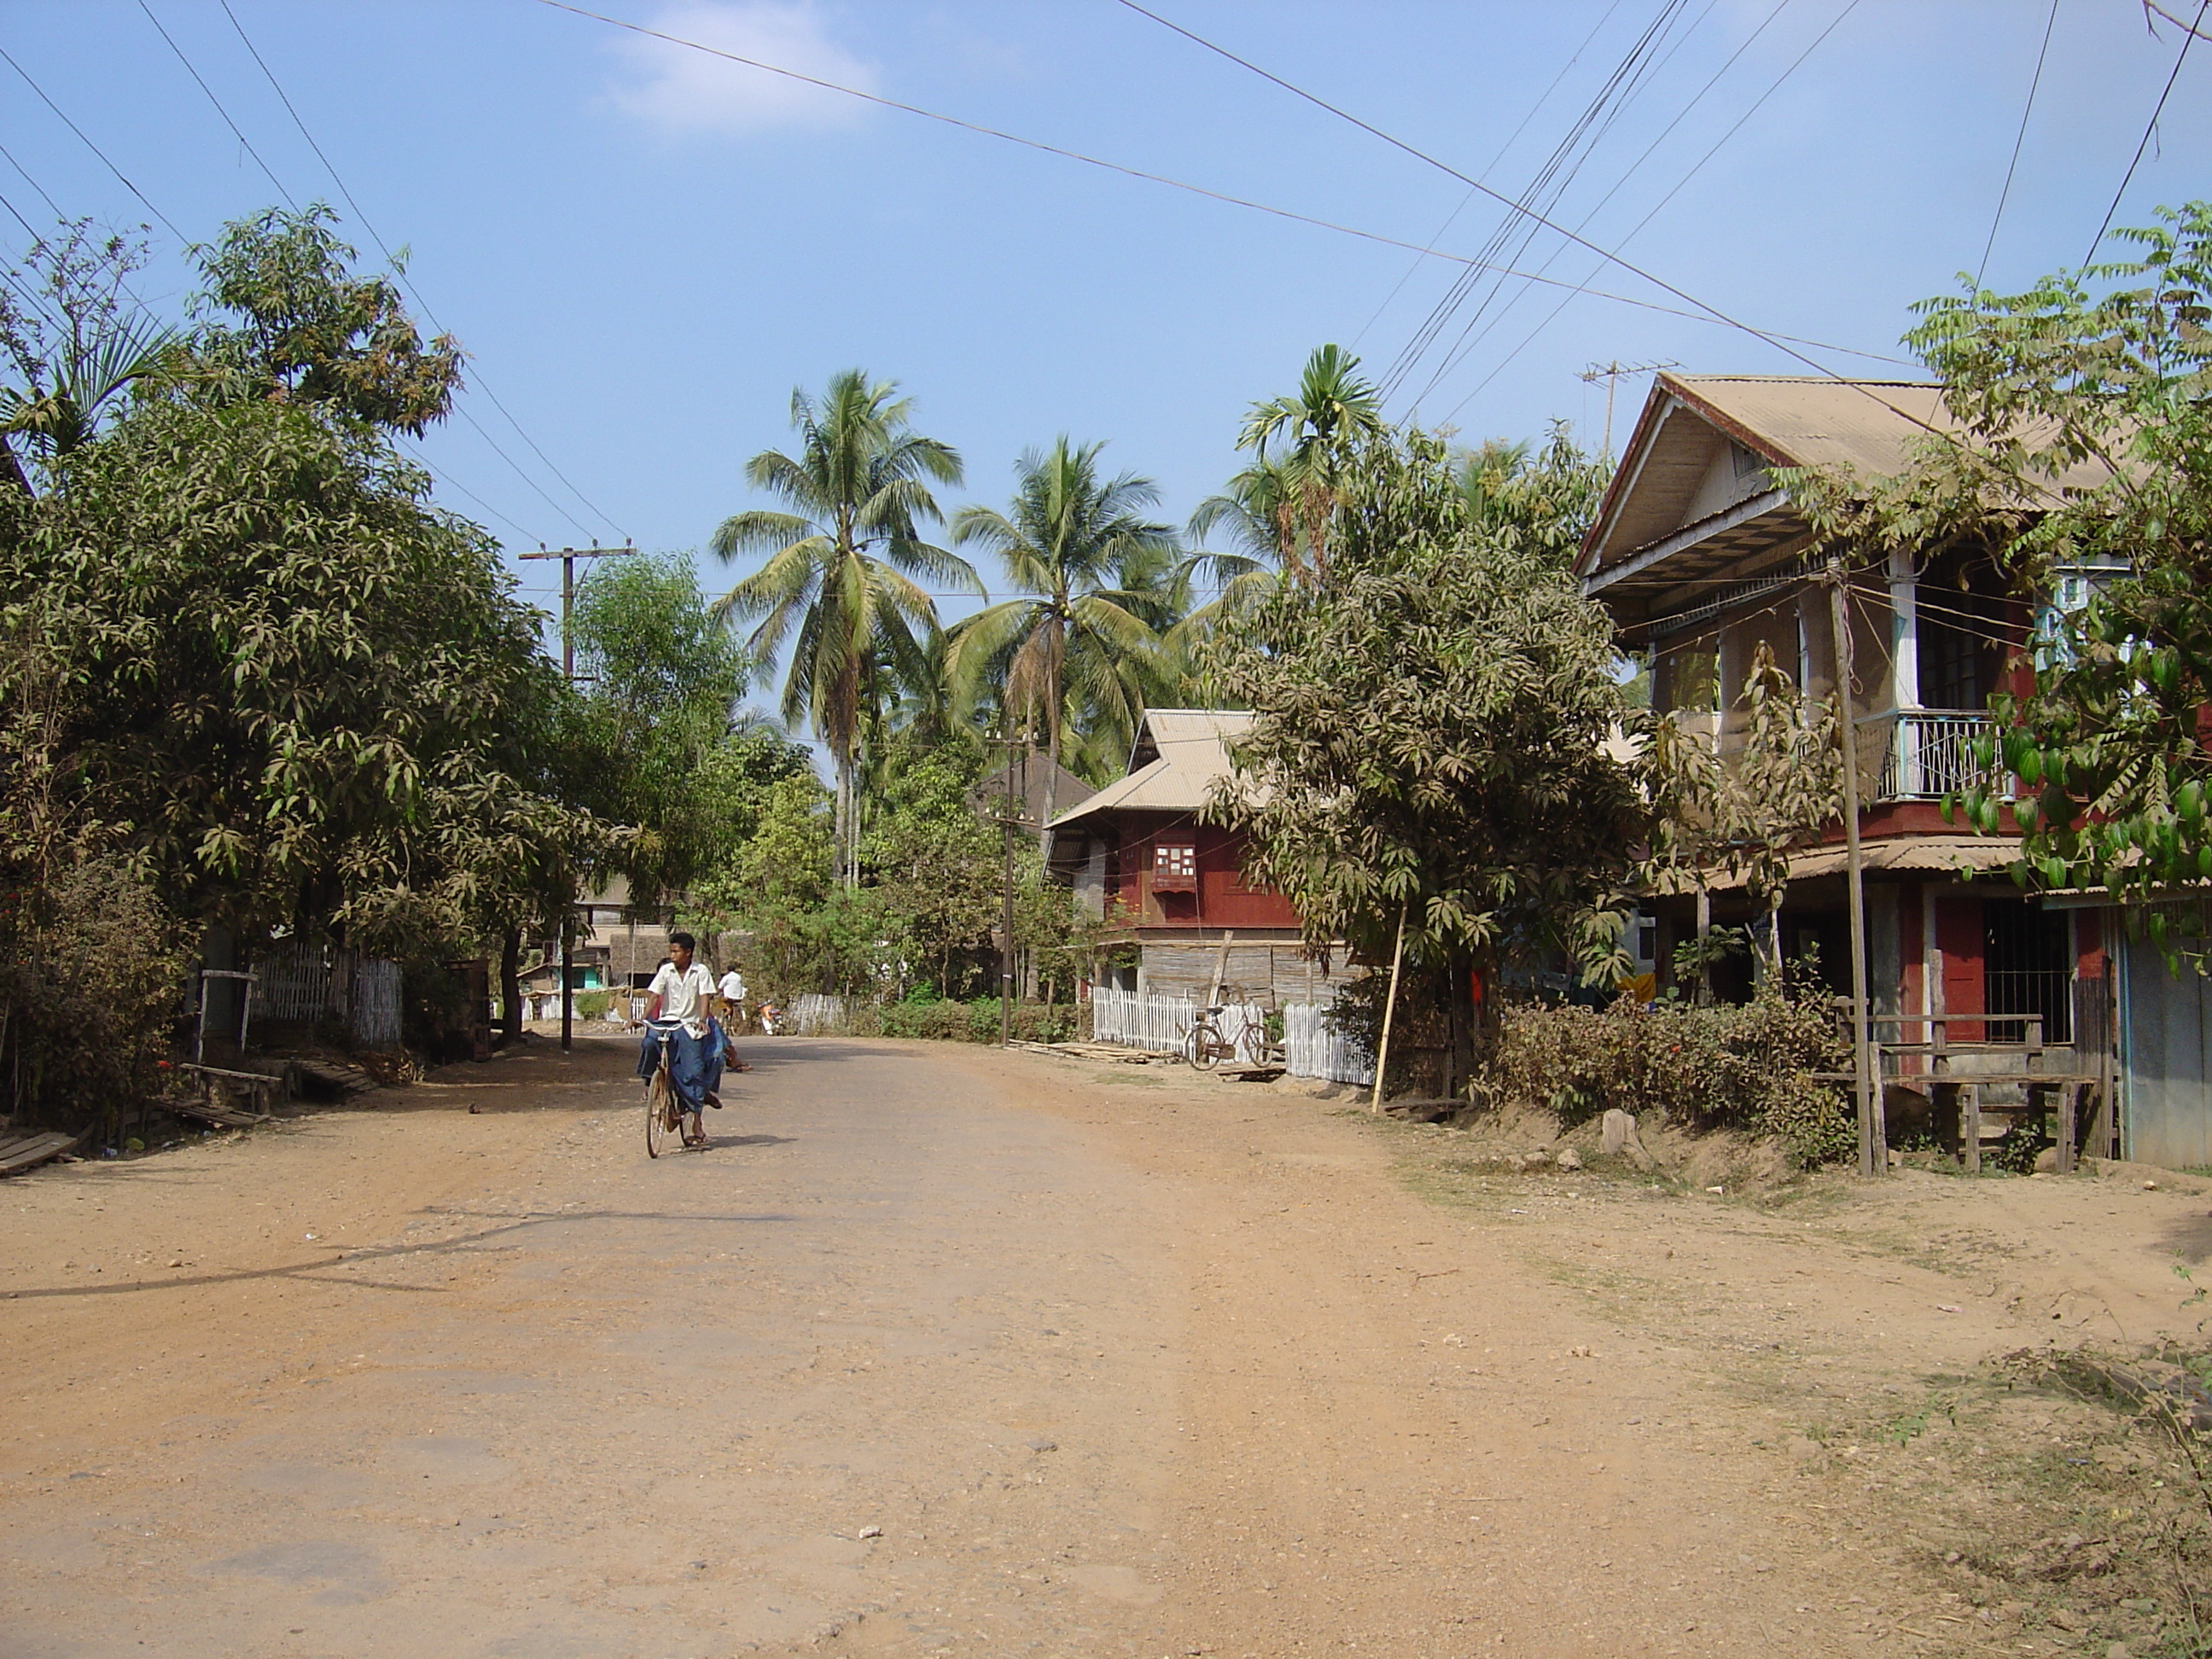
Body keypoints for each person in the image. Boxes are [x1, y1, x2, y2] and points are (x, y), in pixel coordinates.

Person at [636, 932, 724, 1148]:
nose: (672, 955)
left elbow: (705, 998)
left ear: (688, 952)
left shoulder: (700, 972)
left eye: (676, 951)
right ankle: (651, 1082)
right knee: (648, 1043)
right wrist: (643, 1018)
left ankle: (695, 1120)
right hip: (667, 1022)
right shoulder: (666, 971)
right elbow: (654, 995)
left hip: (689, 1026)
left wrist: (702, 1020)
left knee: (692, 1073)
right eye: (671, 951)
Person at [715, 963, 750, 1066]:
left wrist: (715, 993)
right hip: (738, 997)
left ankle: (726, 1014)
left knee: (723, 1003)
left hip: (729, 997)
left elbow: (720, 987)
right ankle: (730, 1017)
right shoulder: (738, 977)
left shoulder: (727, 977)